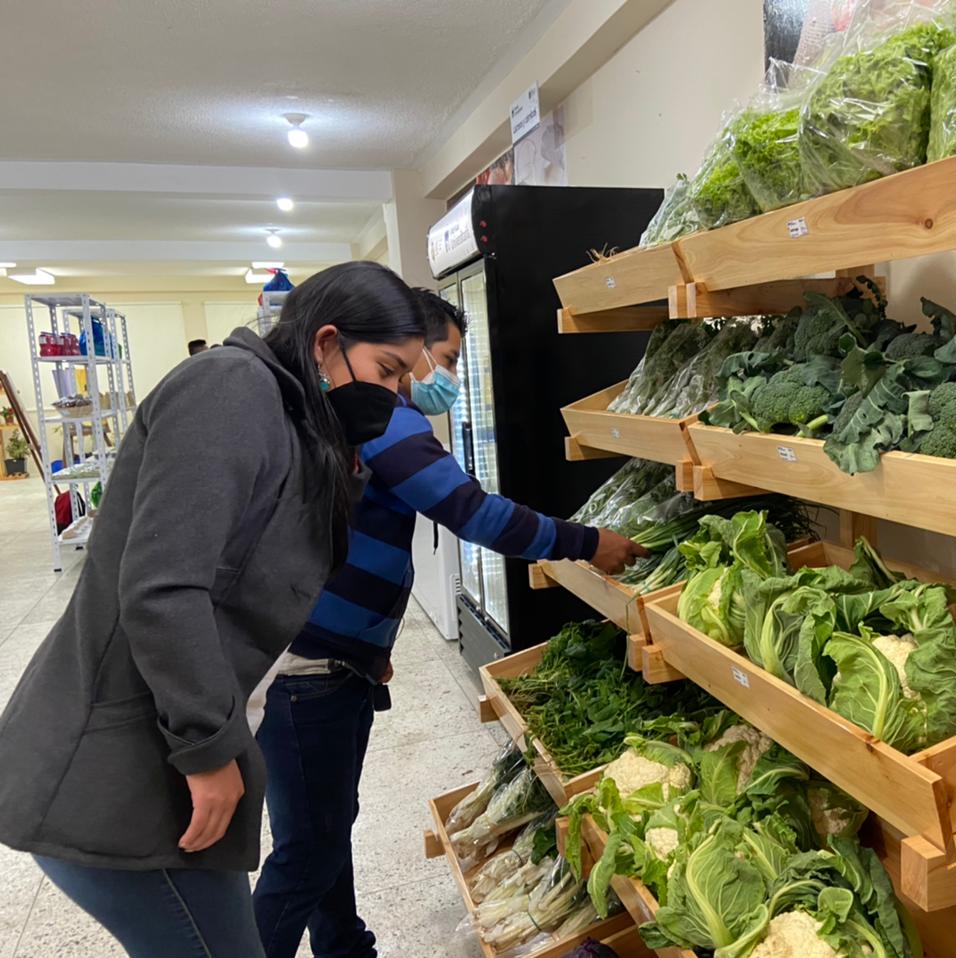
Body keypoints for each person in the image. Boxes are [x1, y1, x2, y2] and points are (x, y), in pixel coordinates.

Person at [0, 261, 431, 958]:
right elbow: (163, 587)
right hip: (116, 768)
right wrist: (207, 752)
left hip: (167, 751)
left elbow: (255, 575)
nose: (396, 393)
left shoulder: (295, 417)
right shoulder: (230, 389)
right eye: (386, 370)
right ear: (325, 344)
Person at [252, 289, 648, 958]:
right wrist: (587, 542)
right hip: (308, 672)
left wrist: (368, 645)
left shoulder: (356, 406)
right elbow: (475, 513)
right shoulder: (385, 415)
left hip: (329, 659)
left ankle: (345, 948)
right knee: (305, 853)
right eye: (438, 359)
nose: (440, 379)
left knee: (323, 833)